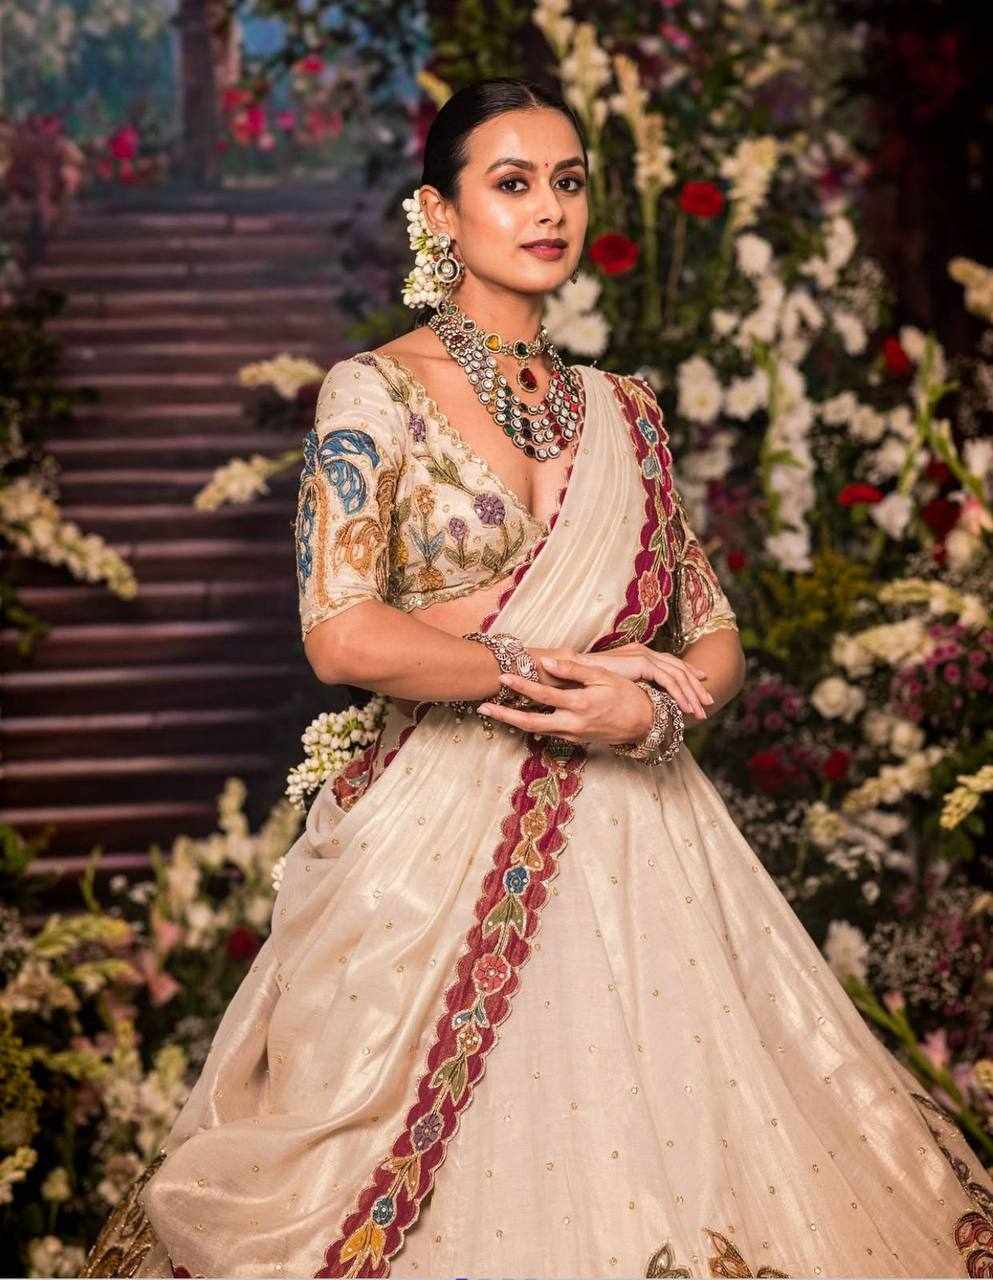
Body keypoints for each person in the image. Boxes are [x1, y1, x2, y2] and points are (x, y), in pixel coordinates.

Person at [81, 78, 993, 1280]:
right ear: (439, 214)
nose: (549, 209)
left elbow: (712, 629)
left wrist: (649, 704)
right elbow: (342, 635)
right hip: (430, 843)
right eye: (511, 183)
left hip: (643, 837)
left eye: (567, 182)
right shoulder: (376, 391)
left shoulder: (626, 411)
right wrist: (540, 666)